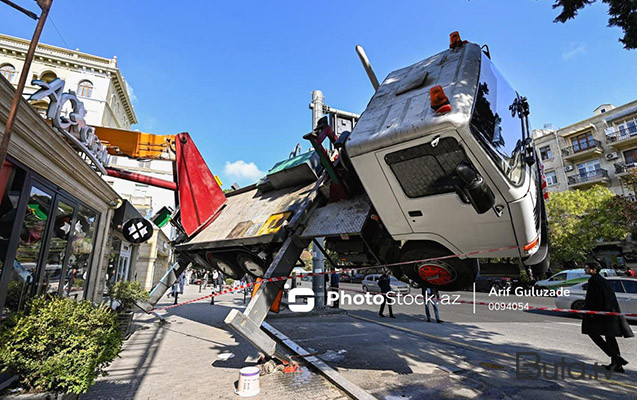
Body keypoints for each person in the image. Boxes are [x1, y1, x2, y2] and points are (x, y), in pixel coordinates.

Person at [582, 261, 634, 373]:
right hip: (609, 313)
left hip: (601, 315)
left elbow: (595, 298)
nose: (584, 270)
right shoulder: (602, 280)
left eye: (586, 268)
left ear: (593, 269)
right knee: (610, 337)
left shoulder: (594, 280)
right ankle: (616, 364)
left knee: (593, 333)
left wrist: (591, 313)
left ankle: (617, 359)